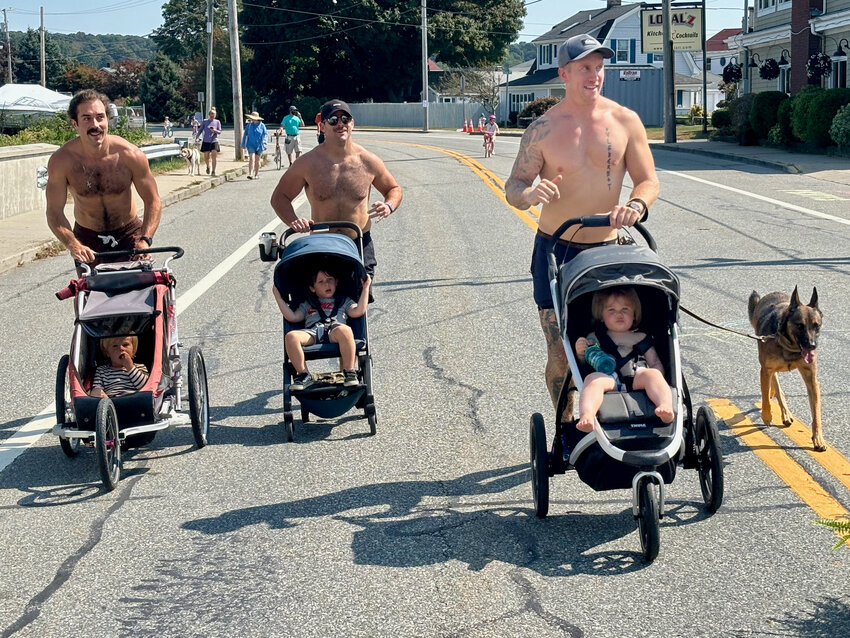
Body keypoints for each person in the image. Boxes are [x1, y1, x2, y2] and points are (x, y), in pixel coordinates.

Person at [504, 33, 660, 420]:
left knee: (620, 336)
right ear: (564, 73)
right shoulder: (542, 129)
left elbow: (648, 180)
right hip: (556, 250)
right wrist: (530, 194)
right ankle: (565, 422)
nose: (595, 75)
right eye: (585, 68)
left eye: (599, 67)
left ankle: (626, 405)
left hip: (608, 249)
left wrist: (636, 204)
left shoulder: (626, 121)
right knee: (561, 349)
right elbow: (514, 187)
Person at [270, 99, 403, 298]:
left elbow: (394, 188)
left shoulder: (368, 161)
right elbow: (279, 197)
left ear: (352, 124)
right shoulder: (307, 163)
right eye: (333, 119)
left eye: (345, 118)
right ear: (322, 126)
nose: (340, 123)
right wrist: (294, 221)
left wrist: (389, 205)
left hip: (358, 243)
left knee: (358, 306)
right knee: (319, 308)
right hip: (322, 246)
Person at [45, 89, 162, 267]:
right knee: (90, 294)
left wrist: (145, 239)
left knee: (137, 293)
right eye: (86, 118)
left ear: (107, 120)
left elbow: (153, 200)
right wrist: (73, 244)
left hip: (129, 235)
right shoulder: (61, 161)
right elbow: (54, 211)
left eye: (100, 117)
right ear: (75, 124)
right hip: (88, 241)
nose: (95, 124)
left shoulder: (130, 155)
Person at [574, 286, 673, 431]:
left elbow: (655, 362)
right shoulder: (595, 338)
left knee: (653, 373)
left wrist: (656, 376)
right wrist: (581, 353)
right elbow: (585, 364)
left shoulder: (641, 337)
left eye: (625, 309)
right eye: (611, 310)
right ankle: (587, 415)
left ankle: (665, 405)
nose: (619, 315)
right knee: (593, 380)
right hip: (609, 379)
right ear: (601, 315)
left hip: (638, 377)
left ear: (634, 314)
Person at [272, 268, 371, 391]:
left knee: (345, 331)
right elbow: (292, 317)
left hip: (335, 330)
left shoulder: (344, 301)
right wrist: (278, 298)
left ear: (336, 282)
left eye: (330, 280)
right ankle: (303, 374)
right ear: (313, 288)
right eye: (321, 282)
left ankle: (348, 372)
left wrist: (366, 288)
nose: (327, 284)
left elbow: (358, 311)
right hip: (313, 332)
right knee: (291, 336)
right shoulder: (307, 304)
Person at [89, 334, 150, 398]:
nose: (121, 348)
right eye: (115, 346)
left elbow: (145, 387)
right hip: (112, 402)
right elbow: (97, 389)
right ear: (107, 353)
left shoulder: (140, 367)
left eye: (125, 345)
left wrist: (130, 367)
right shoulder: (101, 371)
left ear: (133, 350)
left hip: (135, 401)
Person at [242, 111, 268, 180]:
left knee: (257, 160)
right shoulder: (249, 125)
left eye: (254, 118)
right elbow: (245, 135)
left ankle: (256, 174)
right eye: (252, 118)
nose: (253, 119)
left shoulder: (262, 125)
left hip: (259, 145)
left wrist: (265, 141)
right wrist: (243, 144)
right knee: (251, 158)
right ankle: (250, 174)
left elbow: (265, 134)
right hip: (250, 144)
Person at [200, 107, 222, 176]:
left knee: (213, 157)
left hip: (214, 141)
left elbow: (220, 131)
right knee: (206, 157)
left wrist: (215, 130)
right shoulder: (205, 121)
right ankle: (208, 166)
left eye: (214, 114)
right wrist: (197, 136)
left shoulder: (217, 122)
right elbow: (201, 129)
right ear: (209, 115)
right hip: (206, 141)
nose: (212, 116)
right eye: (211, 114)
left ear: (215, 115)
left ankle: (213, 171)